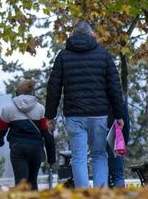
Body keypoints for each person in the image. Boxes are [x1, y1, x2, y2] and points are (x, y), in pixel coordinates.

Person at [45, 20, 124, 188]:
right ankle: (100, 195)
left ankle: (83, 196)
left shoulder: (63, 56)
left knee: (78, 157)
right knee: (99, 155)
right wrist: (119, 115)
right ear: (92, 34)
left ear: (72, 35)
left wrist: (49, 116)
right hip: (99, 114)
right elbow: (115, 87)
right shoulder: (103, 55)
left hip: (74, 115)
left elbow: (53, 88)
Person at [0, 79, 56, 190]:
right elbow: (47, 134)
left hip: (18, 148)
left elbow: (0, 129)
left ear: (17, 93)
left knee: (20, 183)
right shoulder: (41, 109)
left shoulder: (8, 109)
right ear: (32, 93)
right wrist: (51, 157)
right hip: (35, 149)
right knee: (33, 181)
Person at [108, 97, 130, 188]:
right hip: (115, 139)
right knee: (118, 176)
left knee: (102, 173)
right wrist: (123, 142)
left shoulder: (96, 92)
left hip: (98, 135)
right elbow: (126, 124)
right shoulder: (119, 98)